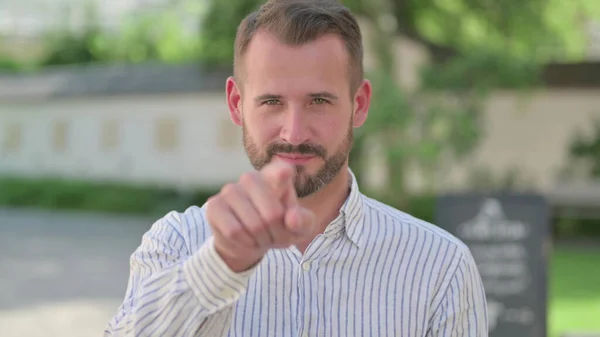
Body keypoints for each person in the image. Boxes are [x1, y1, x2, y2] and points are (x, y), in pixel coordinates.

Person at [104, 0, 488, 335]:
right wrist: (222, 265)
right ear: (237, 104)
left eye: (319, 101)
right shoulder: (176, 244)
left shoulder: (440, 266)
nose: (294, 131)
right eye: (271, 101)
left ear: (360, 104)